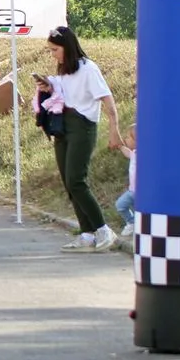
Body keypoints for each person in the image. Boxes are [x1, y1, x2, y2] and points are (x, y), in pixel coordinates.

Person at [37, 26, 123, 253]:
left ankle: (103, 229)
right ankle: (87, 234)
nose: (52, 54)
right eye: (50, 50)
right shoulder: (64, 71)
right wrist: (49, 86)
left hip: (82, 126)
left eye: (55, 50)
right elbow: (63, 93)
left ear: (67, 47)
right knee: (68, 181)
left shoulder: (88, 69)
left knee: (76, 179)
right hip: (63, 125)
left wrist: (114, 130)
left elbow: (107, 100)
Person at [116, 130, 137, 241]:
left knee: (140, 211)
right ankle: (132, 222)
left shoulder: (145, 155)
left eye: (129, 137)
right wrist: (120, 146)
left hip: (142, 192)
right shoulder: (134, 153)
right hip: (132, 190)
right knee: (120, 205)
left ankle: (139, 227)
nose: (126, 139)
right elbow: (127, 152)